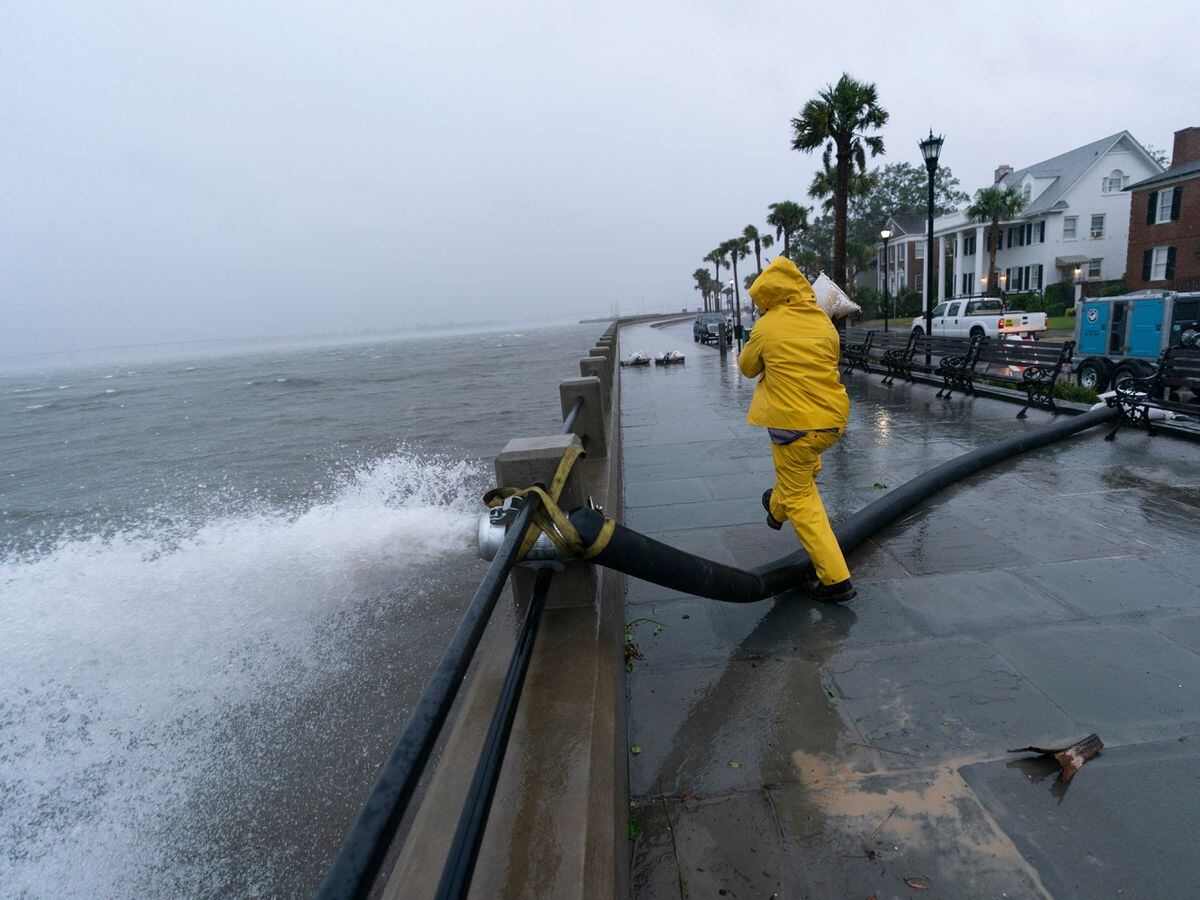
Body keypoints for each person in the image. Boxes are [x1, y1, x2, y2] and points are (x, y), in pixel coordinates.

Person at [738, 257, 854, 602]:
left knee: (802, 499)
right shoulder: (822, 320)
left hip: (794, 427)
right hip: (832, 421)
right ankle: (775, 508)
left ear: (767, 295)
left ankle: (836, 581)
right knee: (803, 471)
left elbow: (746, 368)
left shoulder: (766, 326)